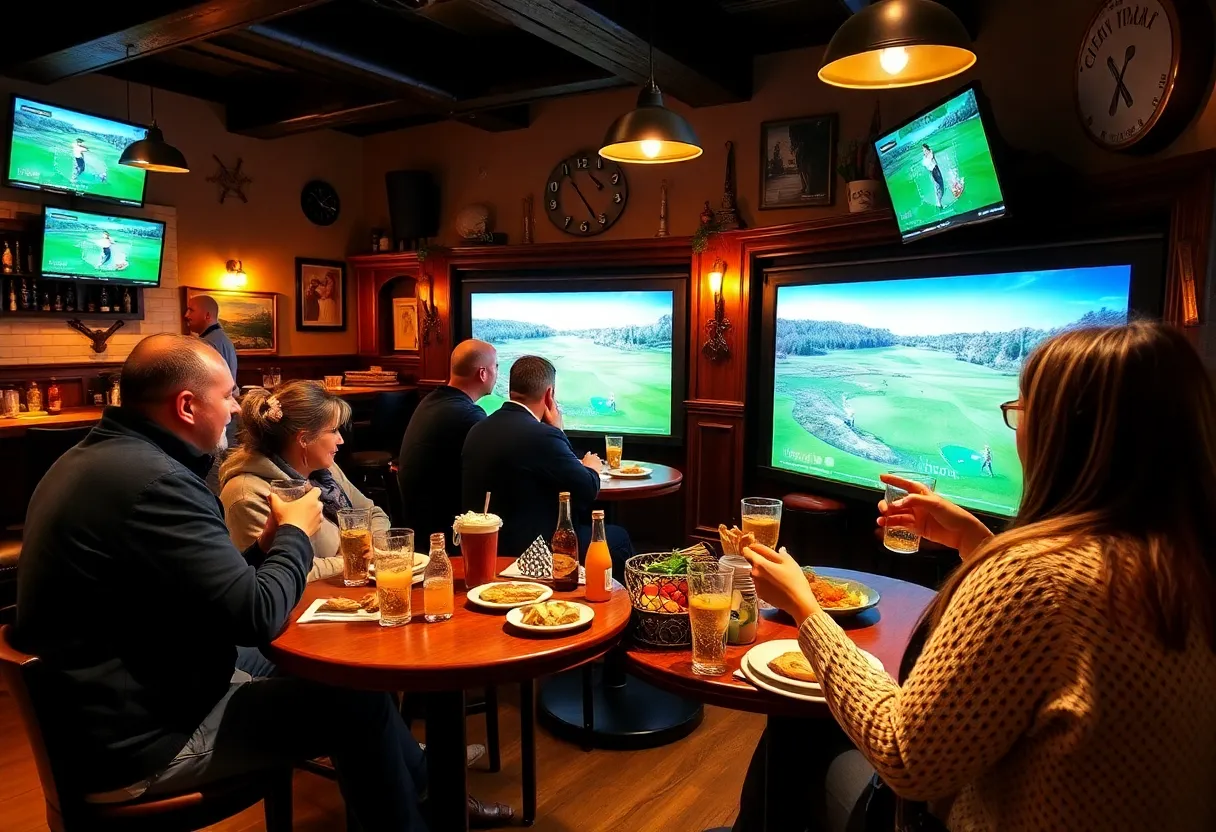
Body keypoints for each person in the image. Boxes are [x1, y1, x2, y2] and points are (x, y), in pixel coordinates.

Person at [737, 322, 1216, 832]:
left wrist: (805, 610)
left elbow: (904, 756)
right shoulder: (1188, 566)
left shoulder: (1033, 578)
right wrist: (975, 542)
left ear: (1066, 433)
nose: (1016, 426)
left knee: (796, 731)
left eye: (1022, 409)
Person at [14, 334, 429, 830]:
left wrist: (268, 544)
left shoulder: (97, 459)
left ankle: (423, 794)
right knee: (354, 701)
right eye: (229, 394)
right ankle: (418, 811)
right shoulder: (157, 483)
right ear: (187, 405)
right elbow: (257, 616)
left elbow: (217, 592)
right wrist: (295, 532)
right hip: (142, 740)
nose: (237, 409)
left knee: (342, 670)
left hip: (143, 685)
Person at [462, 355, 634, 581]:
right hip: (534, 551)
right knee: (618, 538)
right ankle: (618, 612)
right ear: (549, 394)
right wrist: (590, 466)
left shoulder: (478, 429)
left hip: (489, 546)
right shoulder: (543, 435)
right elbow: (587, 489)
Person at [220, 381, 389, 582]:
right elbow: (281, 572)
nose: (341, 440)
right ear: (304, 439)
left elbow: (373, 513)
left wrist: (374, 545)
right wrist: (351, 560)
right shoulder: (247, 493)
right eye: (333, 430)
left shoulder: (324, 469)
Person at [397, 339, 497, 547]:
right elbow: (497, 462)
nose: (497, 372)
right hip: (441, 533)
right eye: (495, 367)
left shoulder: (432, 400)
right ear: (482, 374)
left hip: (417, 519)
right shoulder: (467, 415)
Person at [184, 293, 239, 491]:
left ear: (207, 316)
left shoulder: (206, 344)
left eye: (191, 310)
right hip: (227, 413)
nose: (186, 315)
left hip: (215, 415)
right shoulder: (224, 339)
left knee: (213, 473)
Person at [923, 143, 945, 209]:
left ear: (928, 150)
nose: (924, 152)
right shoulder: (925, 156)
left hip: (935, 171)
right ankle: (939, 203)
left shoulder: (930, 153)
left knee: (939, 186)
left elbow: (931, 157)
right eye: (923, 151)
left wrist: (929, 154)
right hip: (932, 172)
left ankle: (940, 203)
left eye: (925, 151)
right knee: (937, 187)